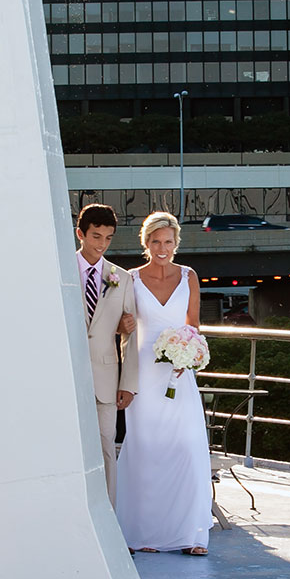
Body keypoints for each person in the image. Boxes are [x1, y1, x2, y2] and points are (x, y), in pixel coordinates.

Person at [115, 211, 213, 555]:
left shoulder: (189, 276)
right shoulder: (130, 278)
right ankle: (146, 535)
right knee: (146, 448)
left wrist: (191, 355)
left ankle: (190, 534)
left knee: (186, 445)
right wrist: (123, 325)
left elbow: (194, 325)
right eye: (155, 241)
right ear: (146, 243)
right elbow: (119, 325)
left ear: (176, 243)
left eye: (168, 242)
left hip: (178, 372)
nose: (162, 247)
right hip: (142, 372)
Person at [76, 203, 137, 507]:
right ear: (80, 234)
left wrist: (128, 382)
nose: (101, 244)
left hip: (106, 379)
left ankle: (110, 524)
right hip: (69, 378)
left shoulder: (121, 278)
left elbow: (130, 335)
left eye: (108, 238)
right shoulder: (59, 271)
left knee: (106, 451)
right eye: (96, 236)